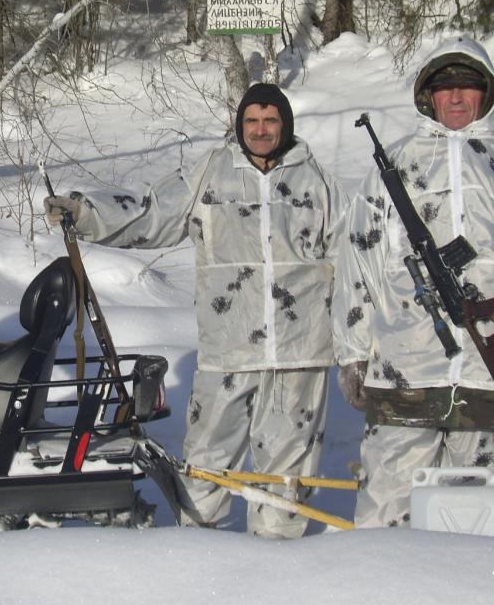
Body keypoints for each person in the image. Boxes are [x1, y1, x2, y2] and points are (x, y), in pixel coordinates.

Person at [44, 83, 345, 538]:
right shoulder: (211, 173)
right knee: (206, 462)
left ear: (286, 125)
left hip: (301, 353)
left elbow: (354, 259)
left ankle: (280, 559)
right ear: (239, 125)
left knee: (289, 470)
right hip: (228, 349)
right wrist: (86, 214)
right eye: (251, 121)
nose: (260, 131)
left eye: (270, 121)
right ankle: (196, 554)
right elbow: (149, 214)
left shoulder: (318, 181)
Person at [333, 35, 494, 528]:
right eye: (443, 87)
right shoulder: (395, 168)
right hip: (404, 372)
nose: (454, 97)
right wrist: (353, 353)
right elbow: (358, 264)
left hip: (492, 375)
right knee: (385, 513)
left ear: (486, 94)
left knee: (475, 520)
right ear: (427, 95)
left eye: (467, 86)